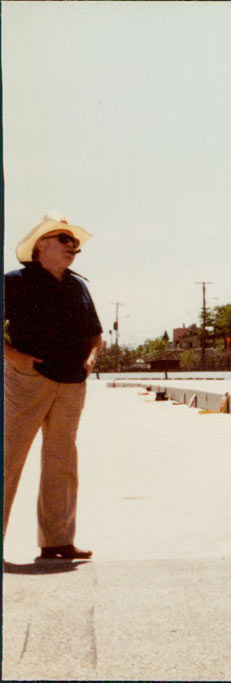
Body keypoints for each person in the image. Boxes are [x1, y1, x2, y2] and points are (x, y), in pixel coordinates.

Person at [4, 212, 103, 561]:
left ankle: (57, 541)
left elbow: (96, 334)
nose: (72, 247)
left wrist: (90, 358)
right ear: (40, 246)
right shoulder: (14, 282)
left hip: (72, 383)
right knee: (8, 457)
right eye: (63, 239)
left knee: (62, 461)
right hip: (27, 380)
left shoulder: (78, 286)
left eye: (73, 242)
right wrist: (13, 356)